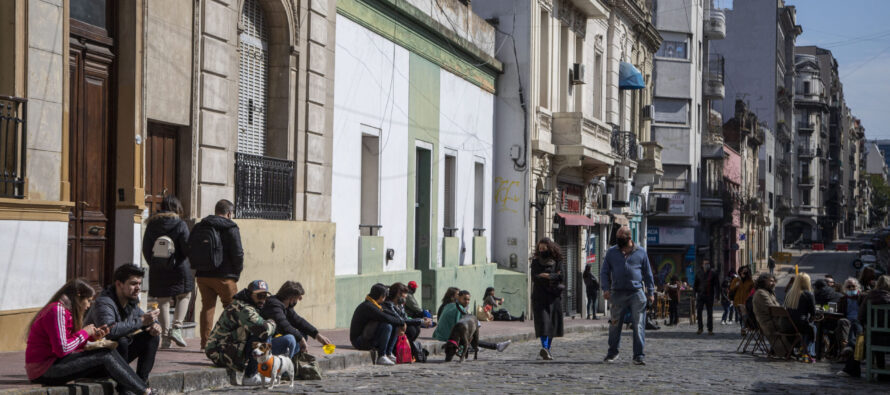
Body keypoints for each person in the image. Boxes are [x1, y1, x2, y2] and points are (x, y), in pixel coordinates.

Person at [26, 279, 152, 394]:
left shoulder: (65, 311)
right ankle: (144, 391)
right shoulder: (57, 310)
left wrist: (91, 337)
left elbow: (68, 344)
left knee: (108, 352)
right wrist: (84, 333)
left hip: (55, 364)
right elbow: (62, 349)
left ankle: (137, 390)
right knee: (105, 355)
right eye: (88, 300)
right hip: (43, 370)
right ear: (78, 295)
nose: (88, 305)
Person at [84, 265, 160, 383]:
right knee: (121, 340)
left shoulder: (130, 303)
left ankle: (141, 383)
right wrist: (141, 321)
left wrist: (155, 325)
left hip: (115, 359)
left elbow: (144, 318)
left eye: (139, 284)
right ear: (119, 284)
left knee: (151, 337)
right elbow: (111, 331)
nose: (138, 288)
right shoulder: (104, 303)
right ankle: (125, 387)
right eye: (133, 283)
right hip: (94, 362)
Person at [205, 280, 281, 386]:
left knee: (286, 340)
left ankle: (268, 371)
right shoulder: (243, 309)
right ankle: (250, 376)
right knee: (262, 336)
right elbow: (263, 330)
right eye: (259, 296)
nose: (262, 300)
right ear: (250, 295)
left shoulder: (253, 306)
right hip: (219, 352)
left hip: (231, 346)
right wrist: (272, 321)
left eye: (265, 297)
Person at [141, 195, 192, 348]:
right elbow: (186, 247)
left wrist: (155, 263)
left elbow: (146, 248)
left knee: (163, 300)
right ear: (177, 207)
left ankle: (165, 337)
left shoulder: (151, 224)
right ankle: (177, 328)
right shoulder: (180, 224)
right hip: (179, 267)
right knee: (184, 295)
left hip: (158, 268)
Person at [193, 199, 245, 350]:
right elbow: (238, 253)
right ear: (229, 213)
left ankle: (205, 343)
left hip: (203, 275)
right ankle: (231, 342)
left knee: (207, 307)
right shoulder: (231, 227)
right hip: (225, 275)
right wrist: (236, 272)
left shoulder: (201, 225)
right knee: (232, 309)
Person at [600, 226, 655, 366]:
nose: (618, 241)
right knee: (614, 325)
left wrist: (651, 292)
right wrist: (605, 288)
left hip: (636, 293)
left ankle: (638, 355)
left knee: (639, 325)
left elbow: (648, 274)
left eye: (621, 238)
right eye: (617, 238)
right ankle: (612, 352)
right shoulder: (612, 252)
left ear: (629, 238)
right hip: (617, 293)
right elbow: (604, 272)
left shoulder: (641, 252)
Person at [261, 281, 332, 357]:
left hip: (275, 338)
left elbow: (298, 321)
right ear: (291, 297)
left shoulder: (286, 306)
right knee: (290, 339)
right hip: (265, 345)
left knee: (303, 334)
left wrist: (317, 336)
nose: (299, 300)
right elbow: (284, 326)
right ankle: (286, 363)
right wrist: (300, 339)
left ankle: (289, 358)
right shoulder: (274, 304)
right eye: (298, 298)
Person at [838, 275, 890, 377]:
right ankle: (882, 373)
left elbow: (860, 318)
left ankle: (850, 369)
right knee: (865, 339)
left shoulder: (869, 297)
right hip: (888, 338)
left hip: (873, 337)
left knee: (861, 341)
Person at [432, 290, 510, 354]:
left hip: (439, 333)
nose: (467, 301)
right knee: (471, 337)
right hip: (446, 336)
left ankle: (495, 346)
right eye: (464, 299)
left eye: (468, 300)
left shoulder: (450, 305)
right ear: (458, 298)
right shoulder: (459, 309)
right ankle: (496, 346)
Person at [349, 284, 404, 366]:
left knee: (394, 324)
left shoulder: (376, 305)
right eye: (385, 296)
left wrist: (401, 322)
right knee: (387, 326)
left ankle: (389, 353)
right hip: (359, 341)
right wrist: (402, 323)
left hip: (367, 338)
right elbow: (385, 317)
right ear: (381, 296)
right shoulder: (368, 306)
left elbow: (390, 315)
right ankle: (382, 356)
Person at [530, 238, 565, 360]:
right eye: (540, 249)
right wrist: (552, 277)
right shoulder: (535, 262)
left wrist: (548, 276)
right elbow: (535, 277)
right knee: (543, 323)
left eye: (544, 249)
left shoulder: (557, 261)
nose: (542, 251)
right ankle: (544, 347)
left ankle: (547, 349)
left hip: (554, 297)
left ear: (549, 248)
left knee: (552, 324)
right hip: (539, 297)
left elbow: (561, 277)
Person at [382, 283, 431, 359]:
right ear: (397, 294)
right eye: (404, 294)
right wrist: (421, 321)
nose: (406, 296)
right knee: (411, 330)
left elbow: (405, 317)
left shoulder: (400, 305)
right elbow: (400, 319)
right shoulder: (389, 304)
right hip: (392, 327)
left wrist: (421, 321)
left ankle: (404, 349)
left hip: (399, 325)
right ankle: (391, 351)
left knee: (415, 328)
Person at [751, 273, 791, 357]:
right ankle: (798, 349)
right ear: (763, 281)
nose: (773, 283)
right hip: (769, 323)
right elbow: (773, 309)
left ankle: (793, 349)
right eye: (771, 281)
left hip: (774, 321)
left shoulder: (768, 292)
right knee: (800, 326)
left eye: (774, 281)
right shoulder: (761, 293)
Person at [783, 272, 816, 362]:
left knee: (807, 327)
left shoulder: (790, 293)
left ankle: (803, 349)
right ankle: (807, 352)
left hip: (788, 325)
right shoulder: (808, 294)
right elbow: (813, 313)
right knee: (813, 328)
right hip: (800, 325)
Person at [693, 259, 720, 335]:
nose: (706, 265)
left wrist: (717, 296)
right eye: (705, 263)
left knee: (710, 313)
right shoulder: (698, 273)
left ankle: (710, 329)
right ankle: (700, 328)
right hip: (700, 295)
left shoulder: (713, 273)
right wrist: (694, 294)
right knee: (699, 312)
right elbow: (695, 285)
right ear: (702, 264)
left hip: (709, 295)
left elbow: (717, 286)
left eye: (708, 263)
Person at [730, 266, 755, 335]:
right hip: (737, 301)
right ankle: (743, 328)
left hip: (746, 302)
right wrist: (736, 286)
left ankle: (743, 328)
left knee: (744, 316)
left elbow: (753, 291)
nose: (744, 273)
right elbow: (731, 289)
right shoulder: (736, 280)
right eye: (743, 271)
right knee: (740, 316)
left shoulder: (750, 281)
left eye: (746, 271)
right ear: (740, 272)